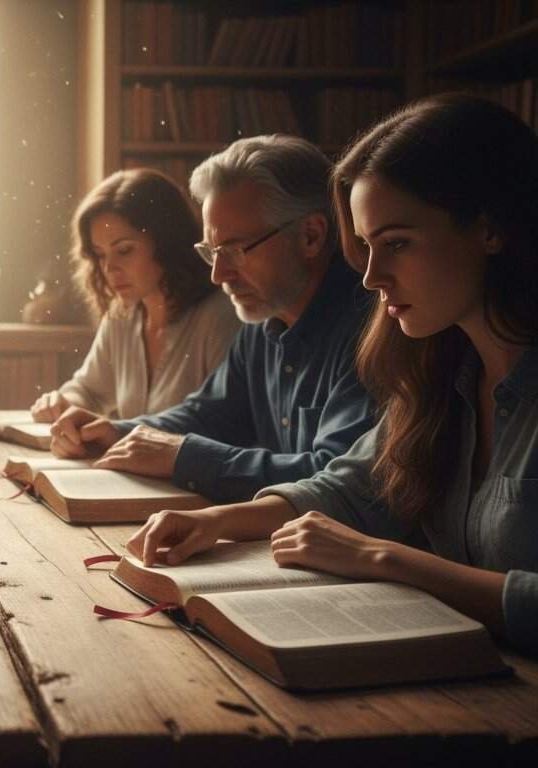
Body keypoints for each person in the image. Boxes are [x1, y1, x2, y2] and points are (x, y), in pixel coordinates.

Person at [125, 94, 538, 656]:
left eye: (396, 244)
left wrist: (383, 558)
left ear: (489, 228)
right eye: (365, 247)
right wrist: (219, 521)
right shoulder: (441, 371)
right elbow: (354, 485)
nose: (370, 276)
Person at [51, 135, 377, 504]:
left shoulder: (370, 331)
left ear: (311, 236)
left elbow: (335, 482)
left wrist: (183, 456)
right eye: (213, 251)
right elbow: (209, 414)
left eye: (236, 249)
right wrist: (116, 431)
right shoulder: (262, 323)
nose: (218, 274)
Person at [29, 168, 239, 423]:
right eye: (100, 254)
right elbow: (89, 390)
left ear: (166, 242)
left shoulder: (219, 317)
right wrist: (61, 403)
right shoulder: (122, 317)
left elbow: (224, 424)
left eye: (124, 250)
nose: (109, 268)